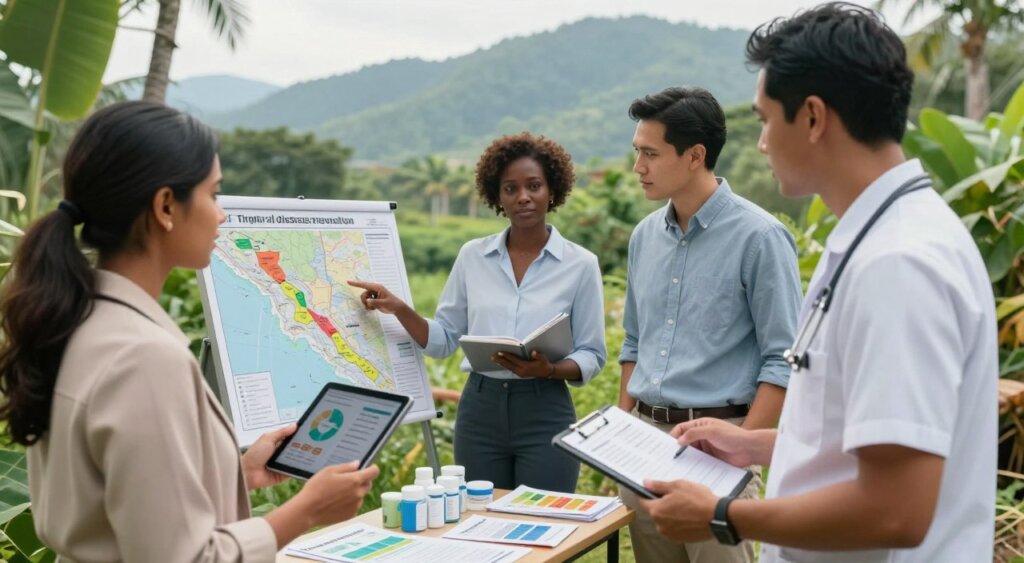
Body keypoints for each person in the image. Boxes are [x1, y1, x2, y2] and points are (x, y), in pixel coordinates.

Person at [640, 4, 997, 561]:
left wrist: (720, 514)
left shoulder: (899, 264)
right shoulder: (879, 240)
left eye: (764, 118)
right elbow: (864, 446)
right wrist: (752, 444)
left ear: (811, 117)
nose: (760, 143)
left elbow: (896, 508)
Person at [0, 101, 379, 562]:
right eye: (213, 194)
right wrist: (306, 510)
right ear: (165, 206)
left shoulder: (77, 321)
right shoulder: (142, 356)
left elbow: (120, 500)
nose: (221, 214)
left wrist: (234, 474)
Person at [349, 133, 606, 492]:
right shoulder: (472, 256)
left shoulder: (581, 264)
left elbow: (592, 354)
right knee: (479, 521)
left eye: (534, 186)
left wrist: (548, 369)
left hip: (545, 410)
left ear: (553, 189)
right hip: (479, 412)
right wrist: (400, 309)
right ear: (497, 196)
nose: (523, 197)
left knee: (545, 527)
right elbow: (443, 341)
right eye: (510, 189)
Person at [617, 86, 802, 562]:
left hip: (721, 443)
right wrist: (620, 437)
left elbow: (783, 360)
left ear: (695, 155)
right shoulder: (644, 238)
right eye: (638, 152)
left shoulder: (760, 238)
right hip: (644, 444)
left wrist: (740, 450)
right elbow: (634, 343)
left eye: (650, 154)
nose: (638, 167)